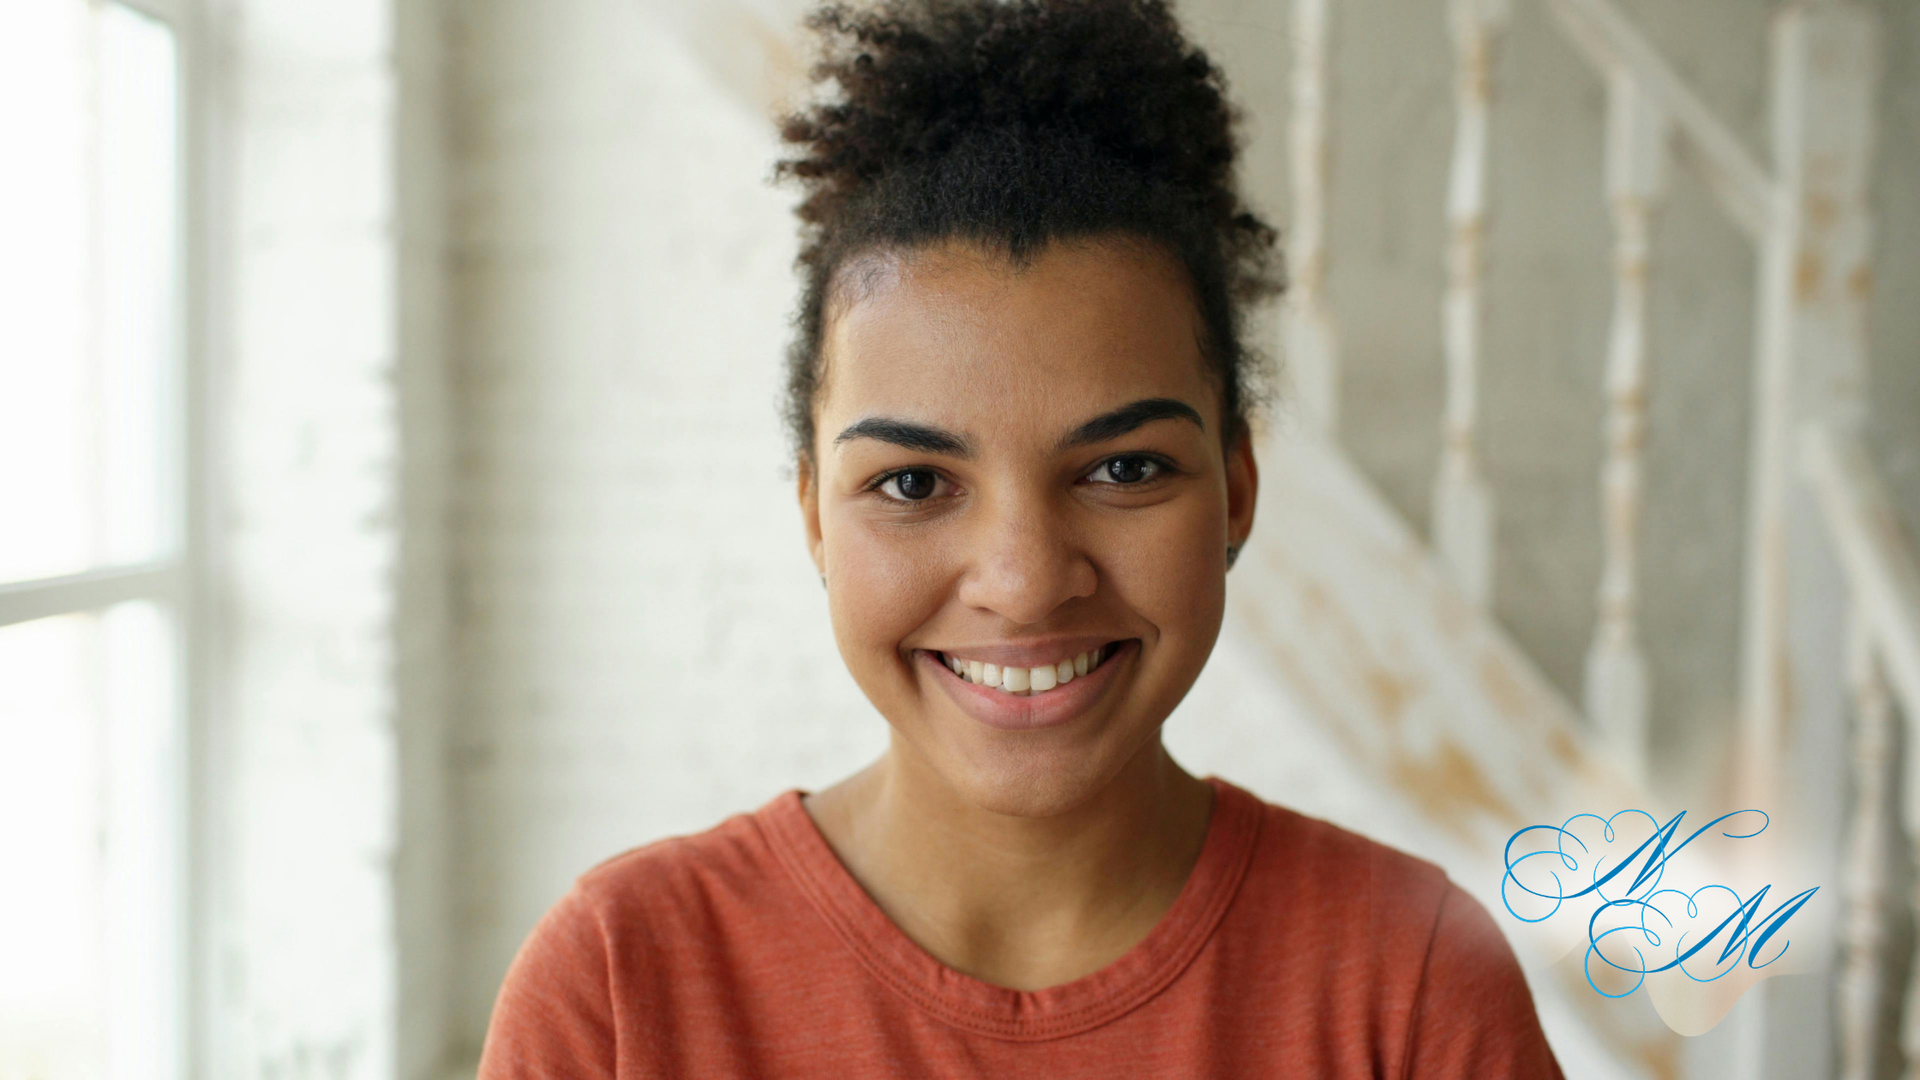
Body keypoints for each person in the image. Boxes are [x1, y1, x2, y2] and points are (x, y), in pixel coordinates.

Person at [477, 1, 1566, 1076]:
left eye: (1124, 469)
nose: (1026, 580)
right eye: (913, 482)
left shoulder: (1412, 984)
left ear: (1236, 487)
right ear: (814, 514)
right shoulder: (623, 987)